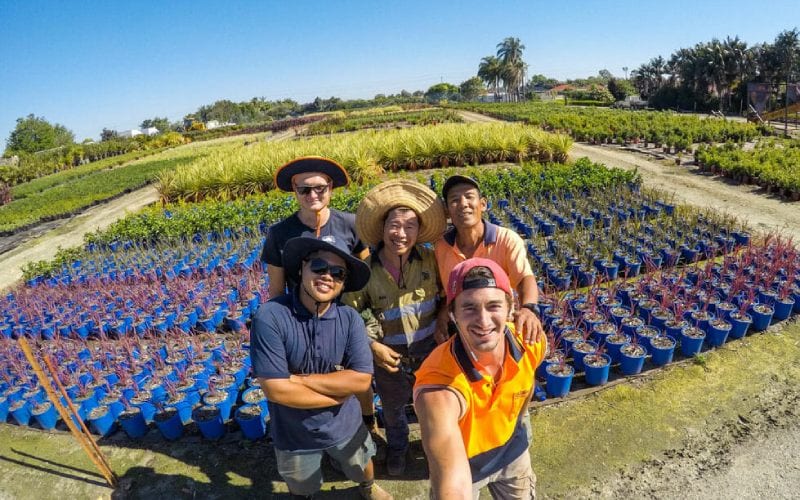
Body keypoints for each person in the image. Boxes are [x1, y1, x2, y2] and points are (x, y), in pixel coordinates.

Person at [250, 235, 392, 500]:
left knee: (362, 465)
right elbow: (276, 391)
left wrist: (299, 380)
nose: (328, 276)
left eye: (338, 272)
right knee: (302, 485)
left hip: (345, 424)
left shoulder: (349, 319)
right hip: (293, 433)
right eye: (319, 267)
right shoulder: (271, 316)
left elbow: (361, 381)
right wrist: (340, 392)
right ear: (302, 267)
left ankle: (368, 488)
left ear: (344, 282)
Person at [413, 258, 547, 498]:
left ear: (511, 308)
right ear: (452, 314)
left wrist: (518, 421)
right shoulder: (440, 384)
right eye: (469, 308)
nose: (483, 321)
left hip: (513, 453)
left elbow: (526, 389)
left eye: (493, 306)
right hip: (468, 466)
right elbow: (453, 482)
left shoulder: (531, 343)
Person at [342, 179, 447, 476]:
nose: (401, 234)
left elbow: (449, 295)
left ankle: (434, 448)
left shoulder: (430, 258)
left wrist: (441, 319)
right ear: (383, 228)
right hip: (388, 357)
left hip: (430, 350)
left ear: (419, 231)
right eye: (395, 225)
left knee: (433, 404)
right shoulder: (365, 270)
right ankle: (398, 448)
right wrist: (373, 346)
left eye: (410, 226)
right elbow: (350, 314)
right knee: (393, 409)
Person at [434, 175, 544, 344]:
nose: (463, 204)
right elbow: (445, 291)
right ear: (447, 211)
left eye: (469, 197)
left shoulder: (506, 239)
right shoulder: (442, 247)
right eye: (454, 200)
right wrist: (442, 315)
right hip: (462, 330)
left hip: (498, 326)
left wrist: (529, 309)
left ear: (483, 204)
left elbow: (524, 278)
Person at [261, 156, 368, 299]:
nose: (312, 195)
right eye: (304, 189)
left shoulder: (351, 224)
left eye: (320, 188)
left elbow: (365, 272)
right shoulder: (279, 233)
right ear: (295, 189)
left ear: (330, 187)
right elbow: (277, 291)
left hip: (343, 310)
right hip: (299, 316)